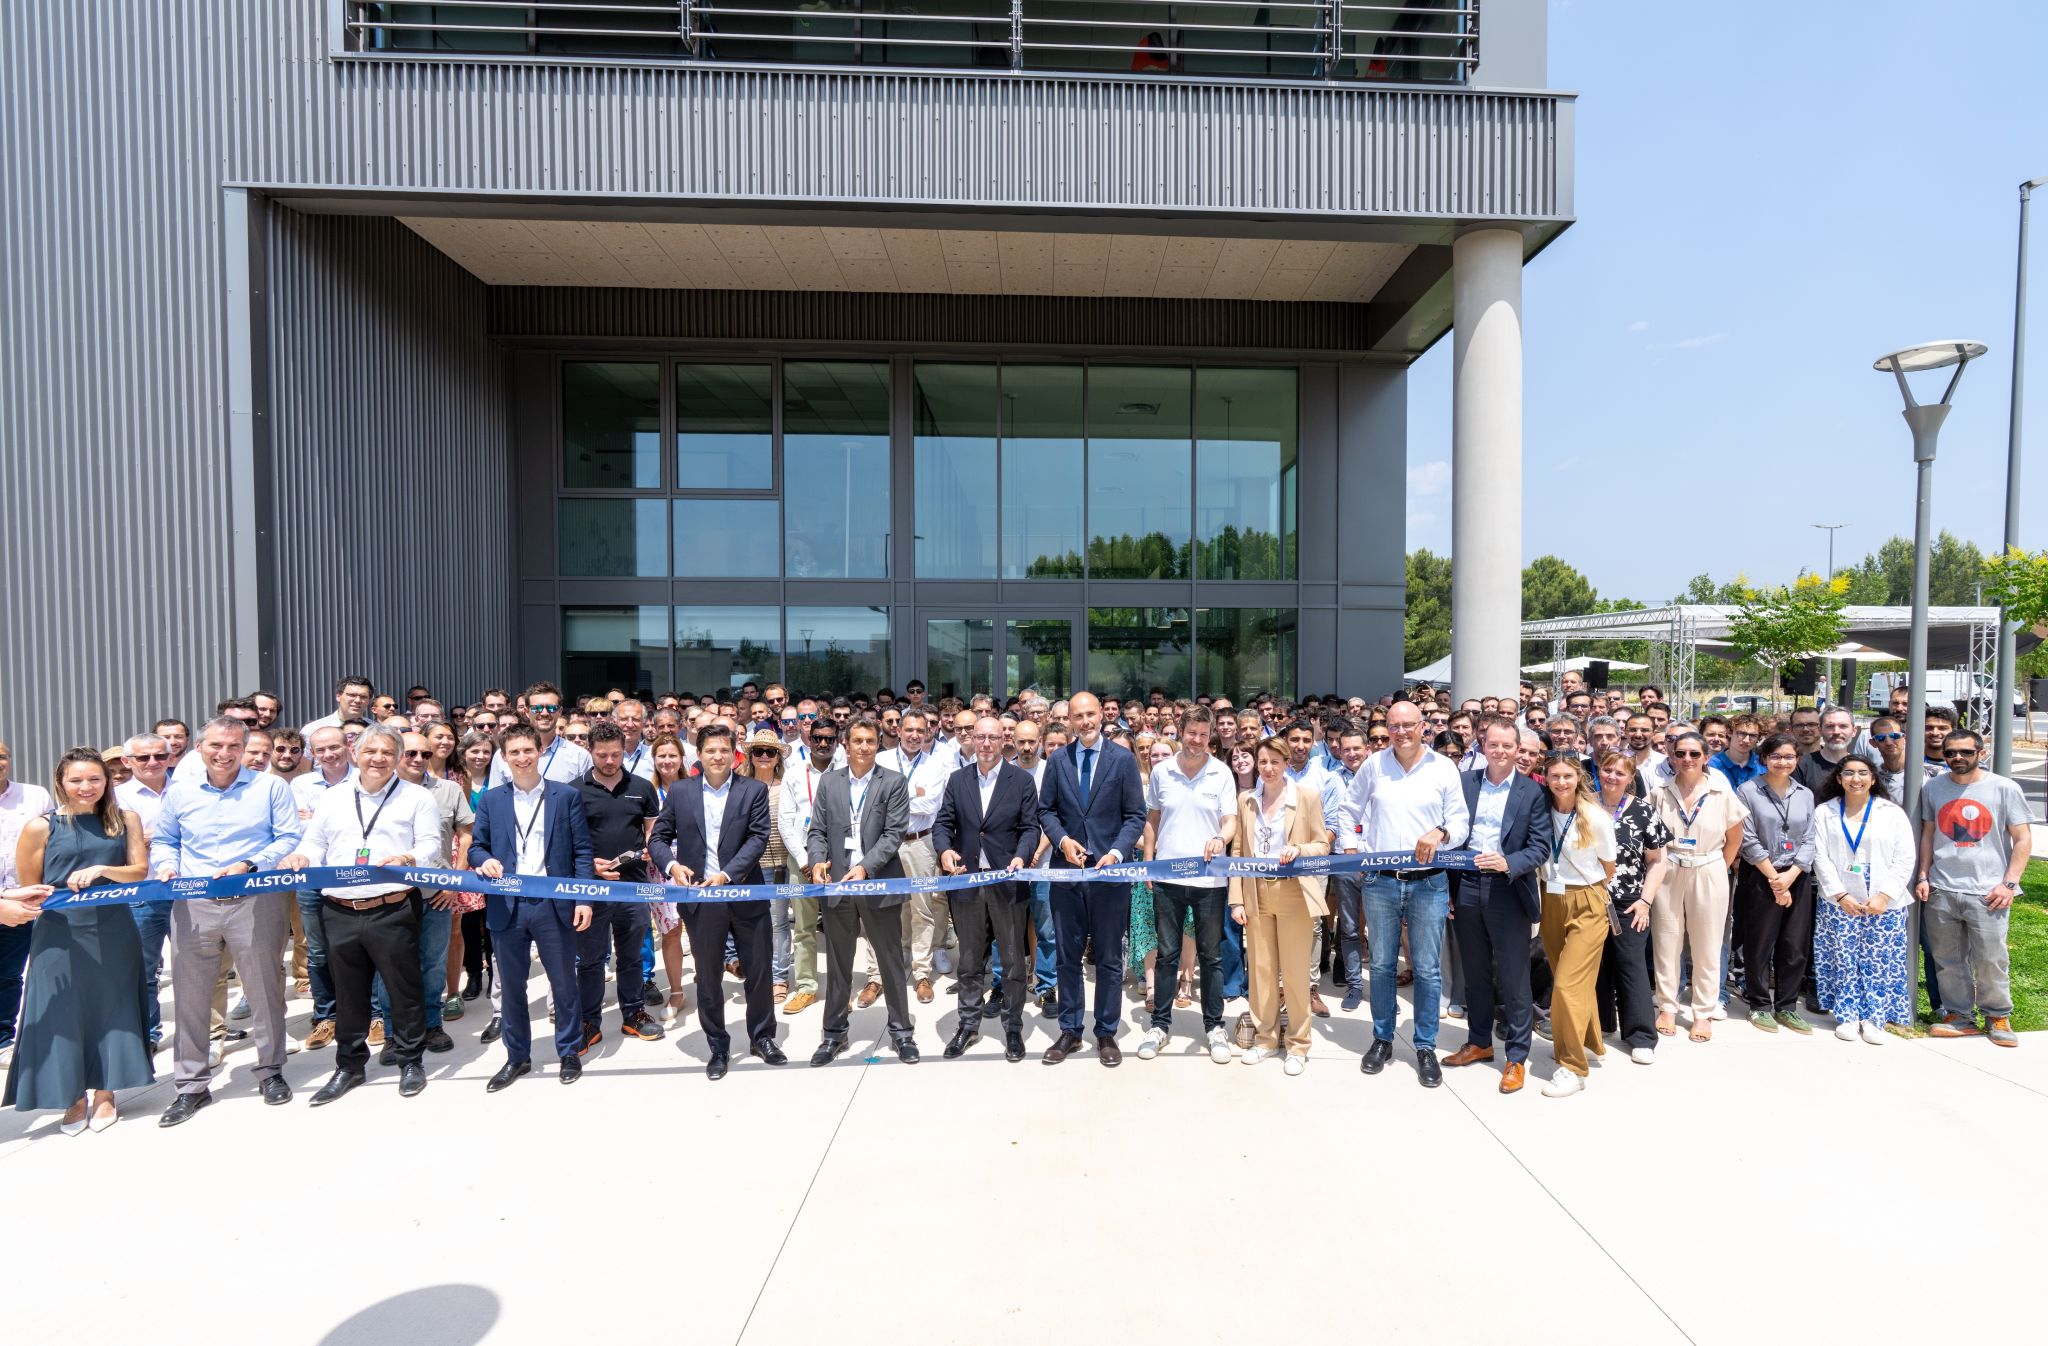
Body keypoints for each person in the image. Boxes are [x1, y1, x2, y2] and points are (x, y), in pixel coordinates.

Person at [149, 717, 303, 1125]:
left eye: (234, 745)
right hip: (193, 902)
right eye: (216, 745)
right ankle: (191, 1085)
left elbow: (288, 837)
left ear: (245, 748)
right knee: (191, 995)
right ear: (199, 747)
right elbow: (165, 841)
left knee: (265, 990)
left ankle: (270, 1071)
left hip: (254, 899)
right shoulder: (179, 792)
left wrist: (251, 863)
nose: (225, 753)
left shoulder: (270, 787)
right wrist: (166, 865)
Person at [280, 725, 441, 1105]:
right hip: (339, 908)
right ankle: (349, 1065)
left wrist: (408, 857)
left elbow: (431, 843)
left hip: (392, 907)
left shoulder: (417, 797)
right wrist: (302, 856)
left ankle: (410, 1060)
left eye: (387, 752)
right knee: (348, 992)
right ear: (356, 754)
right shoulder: (334, 798)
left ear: (398, 757)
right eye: (371, 751)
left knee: (403, 989)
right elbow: (315, 841)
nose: (378, 759)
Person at [2, 749, 152, 1131]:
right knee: (62, 1012)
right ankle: (72, 1096)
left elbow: (139, 871)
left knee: (112, 1008)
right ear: (61, 783)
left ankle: (105, 1093)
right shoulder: (40, 827)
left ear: (107, 781)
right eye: (76, 780)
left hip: (114, 928)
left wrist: (104, 869)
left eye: (94, 779)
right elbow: (32, 887)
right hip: (58, 932)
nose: (86, 787)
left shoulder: (125, 820)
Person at [1341, 699, 1469, 1088]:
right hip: (1380, 881)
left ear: (1423, 726)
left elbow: (1460, 822)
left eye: (1408, 725)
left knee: (1427, 969)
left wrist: (1441, 833)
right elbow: (1349, 810)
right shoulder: (1374, 765)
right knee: (1381, 965)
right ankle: (1382, 1039)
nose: (1400, 732)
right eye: (1393, 726)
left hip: (1429, 882)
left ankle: (1425, 1045)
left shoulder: (1443, 767)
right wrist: (1351, 849)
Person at [469, 724, 595, 1092]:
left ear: (539, 751)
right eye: (514, 752)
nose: (522, 758)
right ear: (504, 758)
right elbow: (476, 847)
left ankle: (569, 1051)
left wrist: (583, 898)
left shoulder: (565, 796)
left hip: (554, 905)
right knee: (512, 987)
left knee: (564, 984)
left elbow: (582, 851)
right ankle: (517, 1056)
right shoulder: (492, 800)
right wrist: (484, 860)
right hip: (508, 906)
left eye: (528, 750)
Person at [651, 723, 781, 1079]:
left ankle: (762, 1037)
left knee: (759, 970)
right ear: (699, 754)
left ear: (734, 754)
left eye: (724, 750)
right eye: (710, 750)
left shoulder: (752, 790)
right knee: (708, 976)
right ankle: (718, 1046)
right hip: (701, 897)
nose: (718, 756)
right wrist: (672, 866)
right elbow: (658, 838)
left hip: (745, 893)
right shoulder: (681, 791)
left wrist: (727, 874)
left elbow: (758, 838)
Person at [1035, 691, 1147, 1068]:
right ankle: (1070, 1029)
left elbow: (1135, 815)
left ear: (1101, 715)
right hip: (1067, 873)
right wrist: (1062, 840)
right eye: (1077, 716)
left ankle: (1106, 1032)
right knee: (1067, 957)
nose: (1084, 722)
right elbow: (1046, 811)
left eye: (1090, 714)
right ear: (1069, 720)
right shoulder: (1058, 760)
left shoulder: (1123, 760)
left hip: (1109, 875)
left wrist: (1116, 852)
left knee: (1110, 958)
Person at [1441, 719, 1552, 1093]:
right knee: (1475, 973)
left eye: (1508, 745)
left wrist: (1509, 862)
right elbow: (1452, 834)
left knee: (1514, 977)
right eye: (1493, 744)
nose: (1500, 751)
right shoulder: (1465, 783)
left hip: (1508, 888)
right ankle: (1479, 1042)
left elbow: (1540, 846)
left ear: (1518, 749)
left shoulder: (1533, 792)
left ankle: (1516, 1057)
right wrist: (1450, 888)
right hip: (1467, 886)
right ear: (1482, 745)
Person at [806, 716, 918, 1066]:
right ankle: (834, 1033)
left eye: (870, 741)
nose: (864, 747)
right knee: (838, 963)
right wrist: (817, 861)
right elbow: (817, 830)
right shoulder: (830, 782)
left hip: (878, 881)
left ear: (877, 744)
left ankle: (901, 1032)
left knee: (890, 960)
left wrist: (865, 867)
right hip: (838, 884)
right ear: (846, 744)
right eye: (857, 741)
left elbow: (894, 833)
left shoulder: (894, 782)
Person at [933, 715, 1041, 1063]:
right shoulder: (957, 780)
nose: (986, 743)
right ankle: (968, 1025)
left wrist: (1022, 855)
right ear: (972, 739)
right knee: (969, 961)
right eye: (980, 737)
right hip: (967, 883)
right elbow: (943, 824)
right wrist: (944, 850)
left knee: (1012, 961)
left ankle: (1013, 1027)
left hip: (1006, 882)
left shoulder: (1021, 781)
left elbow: (1030, 828)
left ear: (1003, 740)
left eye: (993, 737)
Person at [1916, 728, 2032, 1047]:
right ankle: (1959, 1016)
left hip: (1989, 891)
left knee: (1991, 959)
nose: (1957, 758)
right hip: (1942, 887)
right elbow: (1928, 834)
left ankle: (1997, 1016)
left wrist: (2009, 883)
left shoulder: (2004, 788)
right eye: (1950, 752)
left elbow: (2022, 839)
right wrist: (1924, 875)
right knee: (1947, 959)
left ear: (1981, 753)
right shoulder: (1933, 788)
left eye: (1966, 752)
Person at [1138, 705, 1237, 1064]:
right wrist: (1149, 863)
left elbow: (1230, 821)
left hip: (1210, 880)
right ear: (1180, 732)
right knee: (1167, 955)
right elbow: (1153, 819)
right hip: (1167, 878)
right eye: (1191, 733)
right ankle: (1160, 1025)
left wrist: (1220, 838)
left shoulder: (1221, 772)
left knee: (1211, 957)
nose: (1197, 740)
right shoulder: (1162, 771)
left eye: (1203, 734)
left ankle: (1214, 1026)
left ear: (1211, 736)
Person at [1230, 738, 1332, 1075]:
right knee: (1261, 970)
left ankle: (1298, 1044)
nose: (1268, 768)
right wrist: (1236, 899)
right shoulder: (1246, 800)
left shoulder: (1306, 797)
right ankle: (1265, 1039)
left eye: (1275, 761)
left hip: (1293, 893)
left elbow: (1322, 844)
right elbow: (1238, 852)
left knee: (1295, 972)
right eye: (1263, 762)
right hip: (1256, 891)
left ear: (1287, 762)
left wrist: (1299, 849)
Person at [1648, 731, 1747, 1043]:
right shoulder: (1659, 792)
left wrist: (1716, 865)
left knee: (1708, 944)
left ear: (1706, 757)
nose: (1687, 759)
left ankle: (1703, 1012)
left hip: (1708, 866)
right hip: (1669, 867)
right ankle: (1667, 1006)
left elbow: (1735, 837)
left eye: (1694, 754)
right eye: (1680, 753)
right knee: (1666, 940)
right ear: (1672, 756)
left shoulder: (1721, 791)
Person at [1811, 756, 1915, 1044]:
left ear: (1873, 778)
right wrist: (1840, 895)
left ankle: (1874, 1018)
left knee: (1879, 959)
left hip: (1883, 900)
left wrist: (1885, 895)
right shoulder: (1824, 812)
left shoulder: (1891, 812)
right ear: (1839, 779)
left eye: (1862, 773)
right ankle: (1847, 1015)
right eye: (1849, 773)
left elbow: (1905, 857)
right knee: (1843, 957)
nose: (1855, 779)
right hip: (1839, 898)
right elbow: (1820, 856)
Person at [573, 722, 664, 1047]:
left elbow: (653, 830)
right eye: (602, 755)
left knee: (631, 956)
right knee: (590, 960)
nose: (610, 761)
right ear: (590, 751)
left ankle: (634, 1014)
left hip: (633, 887)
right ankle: (589, 1021)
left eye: (615, 754)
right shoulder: (574, 791)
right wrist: (589, 867)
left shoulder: (642, 787)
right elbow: (566, 842)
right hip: (592, 890)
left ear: (624, 750)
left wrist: (652, 848)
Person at [1535, 753, 1616, 1098]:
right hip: (1551, 899)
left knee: (1567, 986)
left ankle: (1572, 1068)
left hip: (1587, 899)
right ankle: (1588, 1042)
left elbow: (1608, 865)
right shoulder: (1540, 811)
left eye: (1567, 776)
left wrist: (1586, 893)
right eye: (1554, 776)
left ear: (1578, 777)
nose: (1561, 782)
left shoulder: (1595, 817)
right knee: (1569, 980)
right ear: (1546, 778)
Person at [1735, 734, 1819, 1035]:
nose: (1783, 762)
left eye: (1789, 756)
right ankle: (1759, 1004)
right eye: (1776, 756)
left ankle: (1787, 1006)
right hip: (1761, 874)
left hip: (1796, 875)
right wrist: (1775, 879)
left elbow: (1810, 838)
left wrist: (1790, 876)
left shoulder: (1805, 794)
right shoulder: (1748, 791)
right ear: (1764, 759)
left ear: (1797, 759)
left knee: (1795, 944)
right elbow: (1747, 839)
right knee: (1759, 942)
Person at [1592, 749, 1670, 1066]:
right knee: (1594, 963)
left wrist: (1645, 901)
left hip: (1629, 901)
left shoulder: (1643, 811)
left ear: (1630, 777)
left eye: (1619, 772)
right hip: (1589, 896)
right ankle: (1600, 1024)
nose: (1612, 776)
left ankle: (1641, 1036)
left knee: (1631, 963)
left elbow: (1657, 861)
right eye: (1607, 770)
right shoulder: (1584, 806)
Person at [877, 708, 954, 1004]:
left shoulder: (935, 764)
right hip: (886, 843)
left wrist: (893, 802)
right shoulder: (882, 760)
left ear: (927, 733)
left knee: (923, 908)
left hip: (920, 842)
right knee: (892, 907)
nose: (914, 735)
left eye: (920, 731)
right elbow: (875, 803)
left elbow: (932, 804)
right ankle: (899, 956)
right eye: (908, 729)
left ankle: (922, 972)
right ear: (898, 731)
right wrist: (913, 796)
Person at [776, 718, 836, 1017]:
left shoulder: (845, 771)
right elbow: (785, 822)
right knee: (804, 928)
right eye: (817, 738)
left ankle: (839, 990)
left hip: (838, 861)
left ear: (836, 741)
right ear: (808, 739)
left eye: (829, 739)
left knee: (840, 929)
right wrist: (805, 862)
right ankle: (806, 987)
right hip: (801, 859)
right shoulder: (794, 773)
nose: (823, 744)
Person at [488, 682, 593, 787]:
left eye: (551, 708)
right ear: (526, 711)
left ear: (560, 711)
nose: (544, 713)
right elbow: (496, 796)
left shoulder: (579, 756)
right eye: (537, 708)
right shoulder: (504, 755)